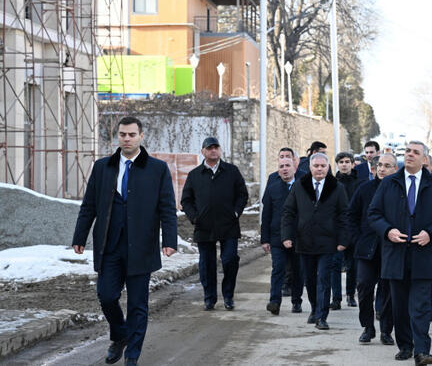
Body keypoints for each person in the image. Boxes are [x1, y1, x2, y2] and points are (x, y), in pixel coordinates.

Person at [72, 116, 177, 366]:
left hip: (141, 246)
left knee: (138, 304)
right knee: (106, 296)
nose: (126, 139)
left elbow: (167, 208)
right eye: (122, 134)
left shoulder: (157, 169)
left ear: (141, 136)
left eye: (131, 134)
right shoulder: (103, 167)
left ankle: (132, 355)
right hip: (109, 245)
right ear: (117, 137)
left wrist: (169, 239)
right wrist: (79, 236)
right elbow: (89, 206)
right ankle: (120, 336)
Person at [368, 140, 432, 365]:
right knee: (399, 306)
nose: (410, 155)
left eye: (416, 152)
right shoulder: (389, 183)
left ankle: (422, 351)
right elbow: (374, 214)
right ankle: (405, 345)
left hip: (423, 254)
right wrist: (388, 231)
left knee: (421, 306)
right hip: (395, 254)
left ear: (425, 159)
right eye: (407, 151)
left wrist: (431, 234)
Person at [281, 153, 350, 330]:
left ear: (328, 167)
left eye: (322, 166)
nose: (319, 169)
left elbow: (344, 215)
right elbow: (289, 212)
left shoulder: (337, 187)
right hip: (305, 241)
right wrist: (287, 236)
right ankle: (314, 308)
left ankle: (322, 316)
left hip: (328, 242)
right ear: (310, 167)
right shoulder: (300, 186)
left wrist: (343, 239)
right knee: (310, 280)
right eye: (316, 166)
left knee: (324, 279)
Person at [181, 136, 248, 311]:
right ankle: (209, 298)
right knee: (207, 264)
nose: (213, 150)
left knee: (230, 260)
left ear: (220, 150)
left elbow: (242, 194)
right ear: (203, 151)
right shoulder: (195, 175)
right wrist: (195, 217)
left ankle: (228, 296)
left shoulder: (231, 171)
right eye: (209, 148)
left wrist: (235, 212)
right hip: (204, 226)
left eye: (216, 147)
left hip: (229, 225)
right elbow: (186, 200)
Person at [351, 154, 398, 345]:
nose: (382, 169)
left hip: (391, 250)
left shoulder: (399, 190)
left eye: (387, 166)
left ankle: (386, 331)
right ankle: (367, 327)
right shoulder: (364, 189)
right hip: (366, 249)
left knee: (388, 292)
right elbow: (351, 215)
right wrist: (356, 239)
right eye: (379, 165)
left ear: (396, 169)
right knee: (363, 288)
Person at [261, 156, 304, 315]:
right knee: (278, 268)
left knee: (297, 270)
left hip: (298, 237)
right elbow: (266, 215)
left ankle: (296, 301)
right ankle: (274, 301)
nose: (284, 169)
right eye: (281, 166)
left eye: (287, 166)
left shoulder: (303, 188)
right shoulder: (273, 188)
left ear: (294, 168)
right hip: (277, 236)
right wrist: (264, 239)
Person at [331, 151, 364, 309]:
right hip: (336, 230)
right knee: (335, 264)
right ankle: (336, 298)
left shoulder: (360, 183)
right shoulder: (331, 182)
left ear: (352, 163)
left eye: (347, 161)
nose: (344, 164)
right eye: (341, 162)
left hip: (354, 229)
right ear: (337, 164)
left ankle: (351, 295)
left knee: (353, 265)